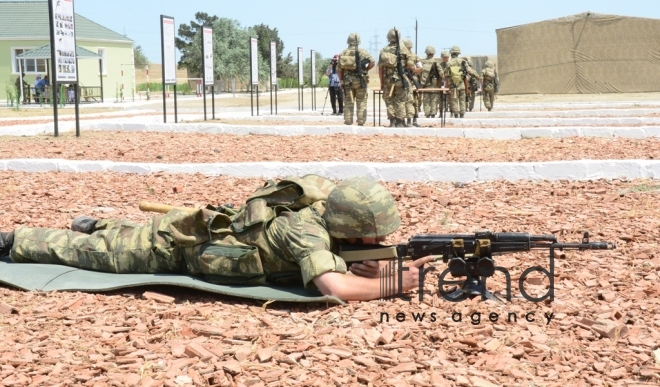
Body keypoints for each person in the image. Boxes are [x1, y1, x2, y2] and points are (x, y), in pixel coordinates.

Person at [0, 176, 433, 301]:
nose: (378, 239)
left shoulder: (326, 209)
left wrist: (375, 265)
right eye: (372, 234)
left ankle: (100, 223)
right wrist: (394, 284)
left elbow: (348, 261)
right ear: (347, 225)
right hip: (173, 254)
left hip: (197, 232)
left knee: (131, 232)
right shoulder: (306, 231)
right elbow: (334, 288)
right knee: (86, 254)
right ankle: (11, 240)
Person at [379, 28, 415, 128]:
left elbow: (380, 68)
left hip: (387, 80)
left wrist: (381, 82)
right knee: (401, 100)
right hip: (400, 79)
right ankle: (400, 122)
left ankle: (392, 121)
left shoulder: (384, 50)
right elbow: (410, 65)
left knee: (389, 100)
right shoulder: (404, 50)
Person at [338, 33, 375, 126]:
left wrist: (341, 80)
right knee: (361, 101)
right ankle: (361, 121)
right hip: (360, 81)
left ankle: (348, 121)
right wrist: (366, 70)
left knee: (348, 102)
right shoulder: (363, 52)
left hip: (348, 81)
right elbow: (372, 62)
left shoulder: (343, 53)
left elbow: (339, 69)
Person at [443, 46, 480, 118]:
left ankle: (456, 114)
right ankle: (462, 114)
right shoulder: (463, 61)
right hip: (462, 84)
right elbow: (469, 71)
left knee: (454, 100)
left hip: (453, 85)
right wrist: (478, 77)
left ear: (451, 53)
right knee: (462, 99)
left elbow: (446, 75)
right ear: (458, 53)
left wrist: (447, 87)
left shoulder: (449, 63)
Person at [402, 39, 422, 127]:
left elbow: (420, 69)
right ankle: (405, 120)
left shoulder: (414, 56)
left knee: (414, 101)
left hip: (412, 81)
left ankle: (413, 119)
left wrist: (413, 70)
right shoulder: (401, 57)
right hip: (404, 81)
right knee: (404, 101)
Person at [419, 46, 441, 119]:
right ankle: (433, 113)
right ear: (433, 53)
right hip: (434, 84)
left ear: (426, 53)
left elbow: (418, 72)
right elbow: (441, 73)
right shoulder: (436, 62)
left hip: (425, 84)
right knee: (434, 99)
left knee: (426, 99)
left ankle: (427, 114)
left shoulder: (422, 62)